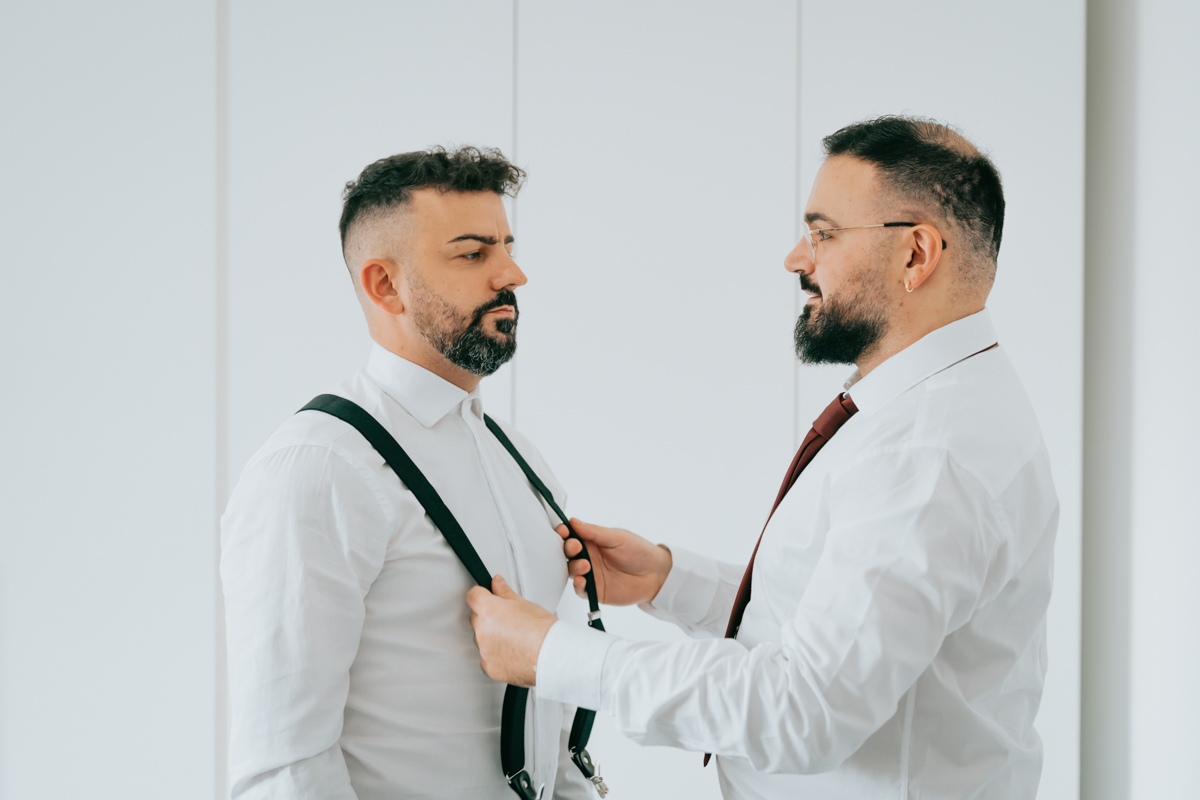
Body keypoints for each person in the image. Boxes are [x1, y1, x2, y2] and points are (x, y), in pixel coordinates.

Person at [467, 117, 1060, 799]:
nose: (796, 259)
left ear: (916, 254)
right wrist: (669, 581)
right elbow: (840, 626)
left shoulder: (928, 451)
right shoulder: (932, 410)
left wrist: (553, 654)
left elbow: (805, 711)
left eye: (823, 234)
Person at [221, 146, 592, 800]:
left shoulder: (518, 458)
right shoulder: (319, 468)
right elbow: (283, 767)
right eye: (473, 254)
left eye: (507, 246)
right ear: (384, 285)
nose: (513, 274)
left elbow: (545, 714)